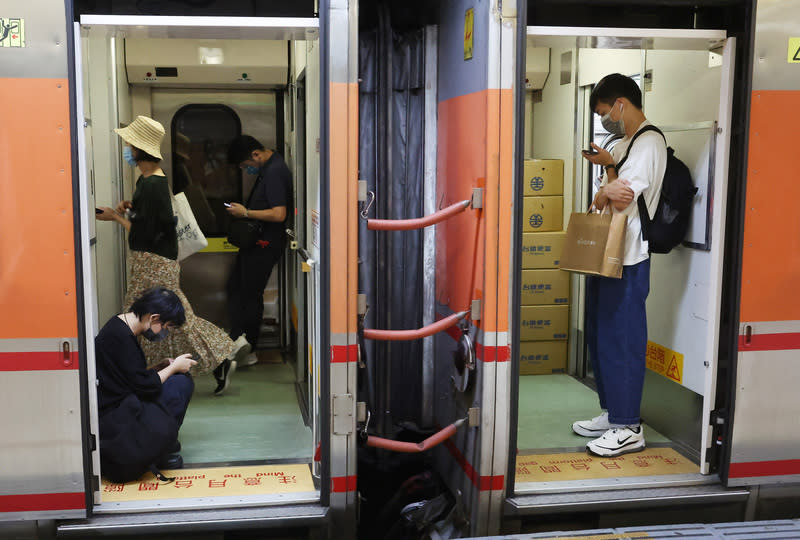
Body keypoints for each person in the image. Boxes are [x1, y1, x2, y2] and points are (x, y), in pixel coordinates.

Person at [96, 115, 249, 395]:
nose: (127, 149)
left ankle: (219, 354)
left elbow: (152, 231)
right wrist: (132, 210)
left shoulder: (152, 185)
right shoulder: (147, 182)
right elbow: (150, 222)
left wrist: (116, 218)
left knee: (156, 319)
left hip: (153, 263)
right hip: (151, 262)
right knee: (170, 320)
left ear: (140, 150)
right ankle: (215, 358)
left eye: (130, 144)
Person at [575, 73, 667, 457]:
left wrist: (609, 186)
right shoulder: (620, 142)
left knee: (623, 338)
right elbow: (605, 196)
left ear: (621, 104)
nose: (605, 120)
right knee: (600, 334)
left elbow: (623, 196)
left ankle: (629, 426)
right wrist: (608, 179)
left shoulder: (649, 141)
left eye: (604, 112)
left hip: (630, 256)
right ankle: (613, 413)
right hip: (608, 254)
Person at [96, 287, 195, 482]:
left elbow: (131, 376)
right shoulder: (122, 337)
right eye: (166, 327)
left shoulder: (119, 326)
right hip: (118, 414)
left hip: (120, 402)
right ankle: (159, 450)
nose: (164, 333)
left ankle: (161, 445)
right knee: (180, 384)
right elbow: (144, 386)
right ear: (154, 318)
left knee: (176, 381)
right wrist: (174, 367)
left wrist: (159, 367)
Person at [225, 135, 293, 364]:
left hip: (265, 244)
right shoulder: (270, 167)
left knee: (250, 294)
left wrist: (245, 213)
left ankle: (248, 347)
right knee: (238, 289)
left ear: (256, 154)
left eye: (246, 166)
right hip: (257, 243)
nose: (246, 170)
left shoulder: (274, 172)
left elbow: (279, 213)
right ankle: (240, 341)